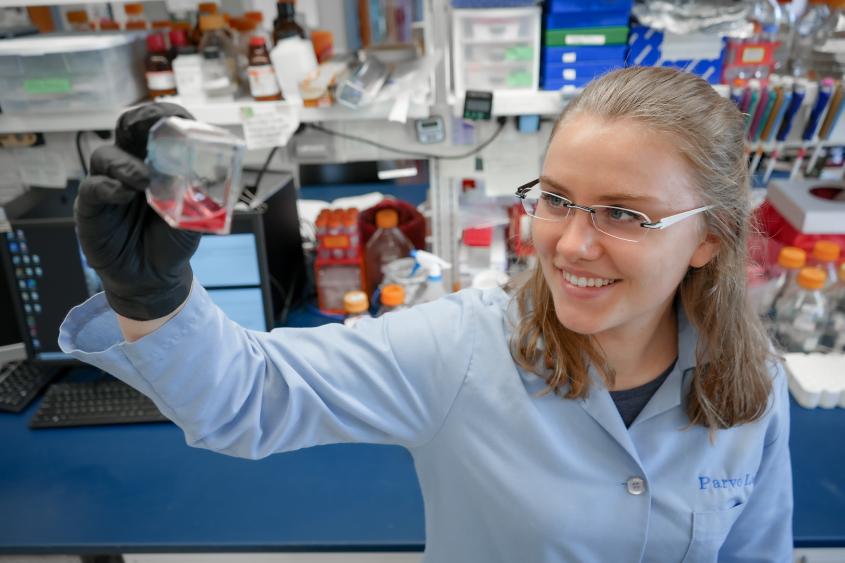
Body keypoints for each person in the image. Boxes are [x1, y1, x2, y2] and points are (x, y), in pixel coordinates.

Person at [60, 67, 792, 562]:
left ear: (710, 237)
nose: (570, 243)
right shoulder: (463, 347)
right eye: (557, 199)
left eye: (624, 214)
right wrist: (151, 295)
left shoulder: (749, 382)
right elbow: (244, 397)